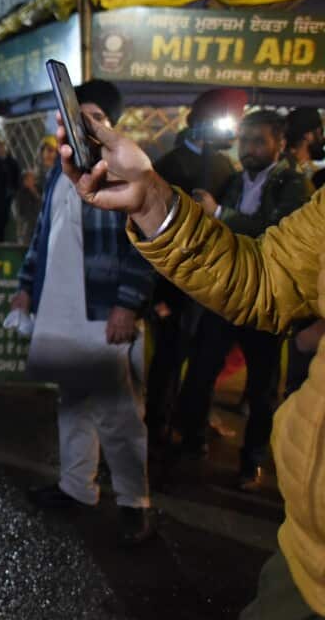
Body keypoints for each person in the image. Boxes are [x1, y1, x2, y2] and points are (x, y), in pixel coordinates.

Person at [51, 102, 325, 620]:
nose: (246, 147)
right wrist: (150, 198)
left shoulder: (282, 182)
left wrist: (131, 301)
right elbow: (266, 277)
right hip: (306, 560)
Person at [10, 79, 156, 544]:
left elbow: (145, 244)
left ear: (111, 123)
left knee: (117, 412)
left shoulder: (126, 168)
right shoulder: (64, 167)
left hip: (103, 310)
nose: (84, 126)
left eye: (93, 117)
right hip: (61, 307)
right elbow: (42, 236)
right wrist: (25, 290)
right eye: (79, 116)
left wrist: (127, 306)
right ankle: (77, 488)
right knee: (72, 401)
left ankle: (135, 502)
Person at [179, 110, 310, 490]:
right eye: (245, 140)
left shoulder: (294, 185)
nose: (248, 149)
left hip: (268, 302)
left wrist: (220, 213)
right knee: (203, 372)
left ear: (279, 143)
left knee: (261, 388)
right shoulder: (236, 179)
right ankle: (194, 441)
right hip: (228, 296)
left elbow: (275, 234)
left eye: (258, 141)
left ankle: (251, 461)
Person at [143, 88, 244, 448]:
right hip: (173, 284)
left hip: (214, 284)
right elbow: (150, 232)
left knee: (206, 361)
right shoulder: (168, 166)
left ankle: (193, 427)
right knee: (168, 359)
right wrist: (155, 293)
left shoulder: (226, 168)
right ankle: (157, 425)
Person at [285, 106, 323, 191]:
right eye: (320, 133)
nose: (322, 139)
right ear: (308, 135)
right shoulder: (291, 171)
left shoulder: (280, 166)